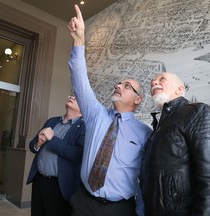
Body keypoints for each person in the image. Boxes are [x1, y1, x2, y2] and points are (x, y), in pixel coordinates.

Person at [67, 5, 152, 216]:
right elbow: (80, 81)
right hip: (83, 203)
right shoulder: (96, 115)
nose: (118, 86)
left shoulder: (145, 133)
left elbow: (147, 176)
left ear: (137, 99)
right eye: (118, 83)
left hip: (119, 209)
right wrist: (79, 40)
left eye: (126, 86)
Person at [140, 72, 210, 215]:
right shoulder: (158, 126)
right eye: (152, 82)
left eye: (162, 79)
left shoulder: (197, 112)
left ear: (179, 89)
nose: (154, 83)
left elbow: (207, 175)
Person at [26, 95, 86, 216]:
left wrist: (52, 139)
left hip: (58, 185)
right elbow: (32, 145)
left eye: (76, 98)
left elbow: (77, 155)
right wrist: (39, 143)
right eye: (71, 96)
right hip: (38, 180)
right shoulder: (52, 121)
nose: (72, 97)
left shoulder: (84, 127)